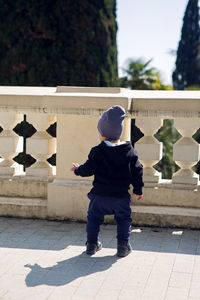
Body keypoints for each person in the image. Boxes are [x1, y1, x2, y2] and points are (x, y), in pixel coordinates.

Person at [70, 105, 143, 257]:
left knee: (94, 218)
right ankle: (123, 246)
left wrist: (77, 169)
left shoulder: (98, 151)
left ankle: (92, 245)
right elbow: (137, 171)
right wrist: (138, 189)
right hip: (121, 197)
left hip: (99, 196)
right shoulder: (130, 152)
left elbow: (88, 169)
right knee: (123, 220)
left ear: (103, 133)